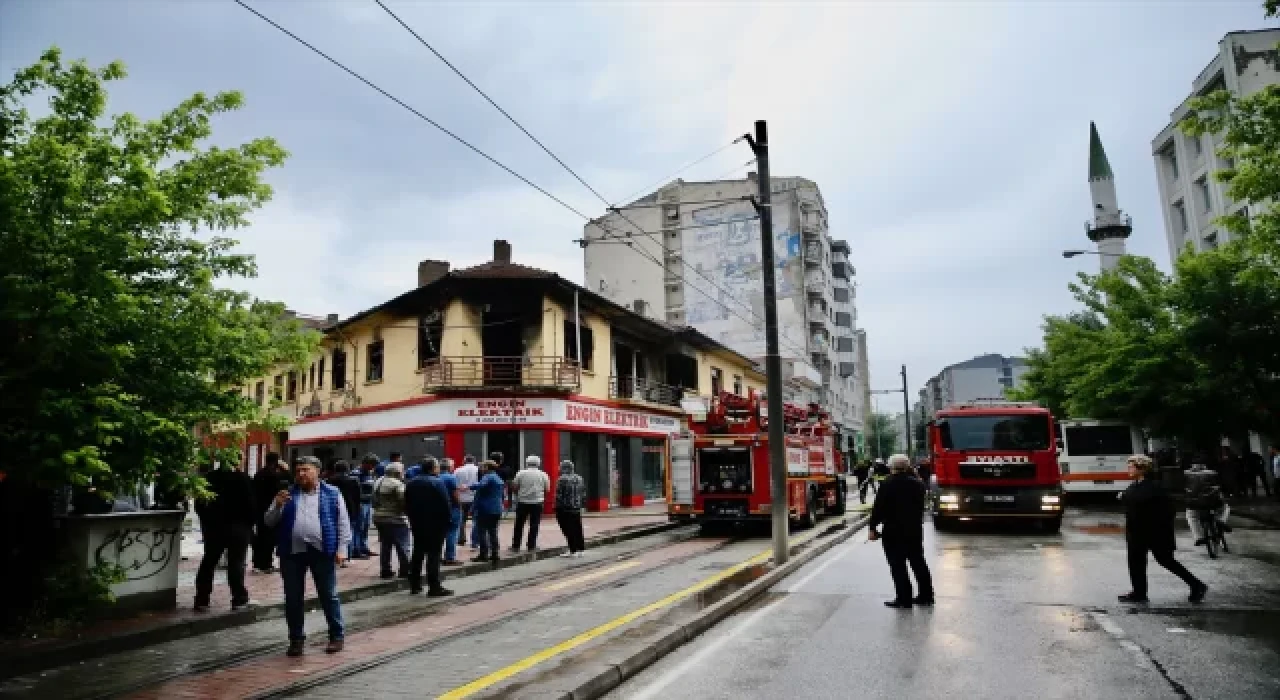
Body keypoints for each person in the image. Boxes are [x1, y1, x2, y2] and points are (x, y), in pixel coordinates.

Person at [263, 456, 351, 656]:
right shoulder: (287, 494)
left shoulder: (332, 493)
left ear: (317, 471)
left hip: (322, 551)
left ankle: (336, 636)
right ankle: (296, 639)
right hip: (292, 553)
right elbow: (269, 521)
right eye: (298, 470)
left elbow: (343, 523)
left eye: (305, 470)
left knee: (328, 595)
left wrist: (341, 550)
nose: (301, 474)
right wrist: (277, 505)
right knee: (293, 598)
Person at [1118, 455, 1207, 604]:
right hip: (1137, 531)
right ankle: (1139, 592)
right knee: (1136, 562)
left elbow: (1150, 503)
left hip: (1154, 532)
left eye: (1131, 466)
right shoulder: (1135, 485)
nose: (1129, 469)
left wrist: (1124, 497)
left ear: (1142, 469)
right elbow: (1133, 498)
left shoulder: (1153, 486)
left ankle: (1196, 585)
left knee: (1166, 561)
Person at [868, 454, 934, 608]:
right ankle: (926, 595)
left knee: (898, 566)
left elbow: (879, 508)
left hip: (893, 531)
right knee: (918, 563)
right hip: (914, 530)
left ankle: (904, 598)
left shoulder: (887, 484)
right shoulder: (918, 484)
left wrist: (873, 528)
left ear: (891, 467)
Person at [193, 460, 257, 611]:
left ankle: (202, 598)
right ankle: (239, 598)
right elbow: (252, 505)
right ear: (238, 463)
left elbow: (199, 505)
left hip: (214, 527)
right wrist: (249, 524)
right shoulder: (243, 478)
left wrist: (207, 521)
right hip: (238, 527)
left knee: (209, 561)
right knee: (236, 562)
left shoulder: (209, 478)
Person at [404, 457, 453, 597]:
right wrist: (448, 520)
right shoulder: (437, 482)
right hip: (435, 524)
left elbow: (406, 503)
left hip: (417, 523)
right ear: (433, 468)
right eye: (437, 467)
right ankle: (434, 586)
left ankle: (415, 584)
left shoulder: (411, 483)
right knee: (434, 555)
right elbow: (445, 503)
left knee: (417, 553)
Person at [371, 463, 411, 579]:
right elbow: (403, 502)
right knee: (403, 545)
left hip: (378, 517)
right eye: (402, 471)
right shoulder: (397, 484)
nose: (404, 473)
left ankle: (385, 570)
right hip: (395, 518)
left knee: (385, 544)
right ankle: (405, 570)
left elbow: (373, 501)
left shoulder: (378, 481)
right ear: (397, 473)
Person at [252, 452, 289, 573]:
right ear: (277, 461)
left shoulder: (258, 474)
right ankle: (266, 564)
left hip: (259, 509)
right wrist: (286, 469)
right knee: (269, 539)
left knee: (260, 537)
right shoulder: (275, 475)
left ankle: (257, 562)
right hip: (271, 509)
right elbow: (289, 481)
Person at [1184, 460, 1232, 546]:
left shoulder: (1186, 474)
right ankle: (1221, 521)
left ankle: (1199, 537)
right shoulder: (1213, 473)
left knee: (1191, 516)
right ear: (1204, 465)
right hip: (1213, 502)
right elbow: (1223, 485)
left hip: (1194, 504)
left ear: (1192, 465)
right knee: (1226, 507)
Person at [510, 455, 551, 552]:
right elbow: (547, 489)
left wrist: (518, 495)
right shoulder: (543, 474)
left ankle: (516, 545)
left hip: (522, 502)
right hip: (537, 502)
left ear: (527, 463)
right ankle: (531, 545)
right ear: (538, 463)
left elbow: (515, 487)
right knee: (534, 524)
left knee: (519, 524)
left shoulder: (520, 473)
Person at [326, 460, 363, 565]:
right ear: (347, 469)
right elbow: (357, 497)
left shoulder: (329, 480)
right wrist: (357, 510)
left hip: (333, 509)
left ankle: (334, 556)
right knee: (347, 532)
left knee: (334, 532)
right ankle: (347, 557)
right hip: (350, 509)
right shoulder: (353, 480)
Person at [470, 460, 505, 563]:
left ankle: (483, 554)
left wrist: (470, 486)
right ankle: (495, 553)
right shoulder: (498, 478)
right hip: (496, 508)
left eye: (483, 467)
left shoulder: (487, 477)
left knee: (481, 531)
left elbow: (481, 487)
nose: (481, 468)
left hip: (485, 509)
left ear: (487, 468)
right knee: (493, 532)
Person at [554, 459, 587, 557]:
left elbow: (559, 495)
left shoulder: (562, 479)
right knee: (577, 528)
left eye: (560, 466)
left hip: (565, 508)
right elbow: (583, 493)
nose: (559, 468)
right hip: (577, 507)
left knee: (567, 529)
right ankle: (580, 549)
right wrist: (581, 505)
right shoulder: (579, 478)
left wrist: (556, 506)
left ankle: (573, 549)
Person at [439, 457, 463, 565]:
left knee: (439, 534)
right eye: (453, 466)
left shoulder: (436, 477)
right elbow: (455, 495)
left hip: (439, 510)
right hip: (452, 508)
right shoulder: (451, 478)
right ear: (449, 467)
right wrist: (459, 506)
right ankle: (449, 557)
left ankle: (437, 556)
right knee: (452, 532)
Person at [353, 454, 378, 559]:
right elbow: (354, 490)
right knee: (359, 527)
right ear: (366, 463)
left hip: (368, 503)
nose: (373, 467)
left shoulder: (370, 473)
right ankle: (356, 550)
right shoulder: (356, 474)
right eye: (372, 465)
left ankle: (364, 547)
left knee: (366, 526)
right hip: (361, 503)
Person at [454, 455, 480, 548]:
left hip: (461, 498)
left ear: (464, 461)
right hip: (474, 498)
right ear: (474, 461)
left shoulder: (458, 470)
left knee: (461, 520)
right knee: (476, 520)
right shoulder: (478, 470)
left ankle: (461, 539)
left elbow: (455, 484)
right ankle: (475, 541)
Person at [490, 451, 512, 515]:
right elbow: (509, 482)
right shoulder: (506, 469)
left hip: (491, 492)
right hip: (501, 492)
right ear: (501, 460)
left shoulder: (487, 469)